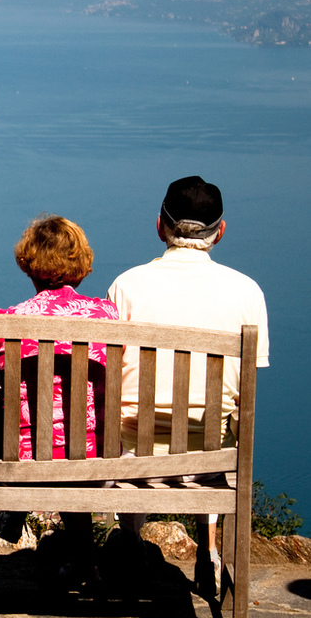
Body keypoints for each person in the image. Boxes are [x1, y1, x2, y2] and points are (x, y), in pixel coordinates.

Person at [106, 176, 270, 597]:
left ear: (160, 226)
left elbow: (108, 373)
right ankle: (210, 549)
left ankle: (128, 539)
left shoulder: (127, 286)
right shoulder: (246, 291)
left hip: (134, 456)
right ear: (221, 231)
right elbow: (248, 391)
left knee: (130, 425)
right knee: (212, 429)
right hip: (208, 460)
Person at [0, 214, 118, 588]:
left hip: (28, 453)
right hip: (93, 453)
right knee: (68, 448)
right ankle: (86, 566)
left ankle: (11, 509)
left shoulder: (10, 319)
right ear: (81, 265)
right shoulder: (106, 315)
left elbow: (1, 371)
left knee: (5, 410)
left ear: (29, 265)